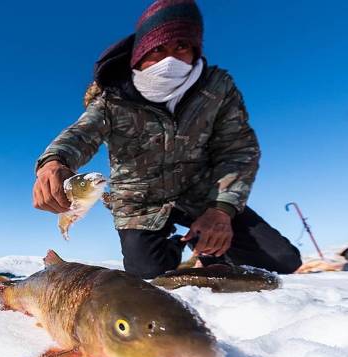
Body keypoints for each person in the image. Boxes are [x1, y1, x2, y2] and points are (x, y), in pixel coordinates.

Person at [32, 0, 302, 279]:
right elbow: (79, 135)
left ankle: (207, 242)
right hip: (139, 201)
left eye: (181, 47)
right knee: (150, 274)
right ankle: (182, 246)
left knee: (282, 260)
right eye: (158, 48)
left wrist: (221, 211)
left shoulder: (218, 89)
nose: (169, 59)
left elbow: (238, 149)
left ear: (195, 50)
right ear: (139, 54)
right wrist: (53, 163)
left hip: (201, 194)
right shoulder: (112, 101)